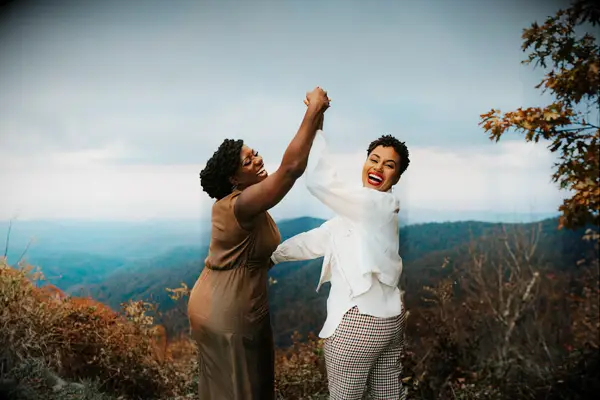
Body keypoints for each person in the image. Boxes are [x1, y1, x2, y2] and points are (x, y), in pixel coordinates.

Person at [187, 87, 330, 400]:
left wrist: (317, 116)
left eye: (254, 153)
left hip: (236, 302)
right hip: (226, 310)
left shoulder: (249, 201)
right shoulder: (240, 205)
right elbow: (291, 169)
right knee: (241, 389)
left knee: (240, 386)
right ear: (234, 180)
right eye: (248, 160)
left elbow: (298, 160)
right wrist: (311, 110)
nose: (258, 159)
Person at [270, 121, 411, 399]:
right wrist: (273, 256)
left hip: (356, 325)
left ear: (396, 178)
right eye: (374, 160)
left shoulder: (371, 205)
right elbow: (319, 239)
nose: (378, 168)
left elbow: (318, 181)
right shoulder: (371, 210)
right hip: (391, 322)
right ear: (364, 162)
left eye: (389, 166)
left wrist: (314, 126)